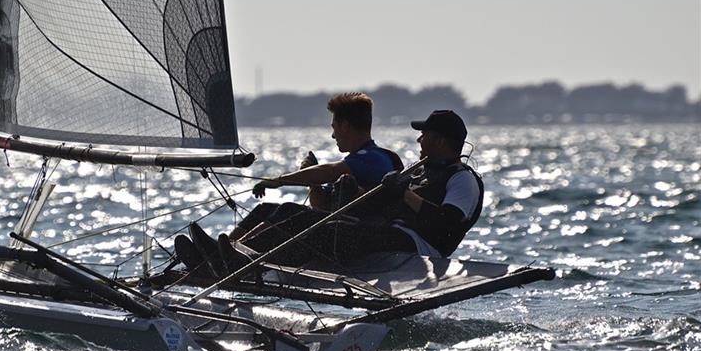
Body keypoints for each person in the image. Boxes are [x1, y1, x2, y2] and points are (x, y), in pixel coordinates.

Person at [215, 109, 484, 271]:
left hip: (419, 248)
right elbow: (379, 205)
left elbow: (446, 223)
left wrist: (404, 193)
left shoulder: (462, 180)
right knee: (289, 211)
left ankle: (245, 262)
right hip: (388, 232)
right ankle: (229, 253)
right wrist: (354, 192)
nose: (419, 139)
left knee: (323, 229)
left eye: (424, 135)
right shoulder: (420, 170)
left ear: (439, 140)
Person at [172, 92, 401, 278]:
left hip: (357, 237)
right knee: (265, 209)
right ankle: (223, 253)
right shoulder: (357, 159)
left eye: (334, 127)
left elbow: (329, 171)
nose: (332, 135)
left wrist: (281, 180)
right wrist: (313, 184)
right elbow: (321, 207)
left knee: (289, 210)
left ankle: (235, 258)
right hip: (337, 229)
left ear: (345, 126)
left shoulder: (374, 157)